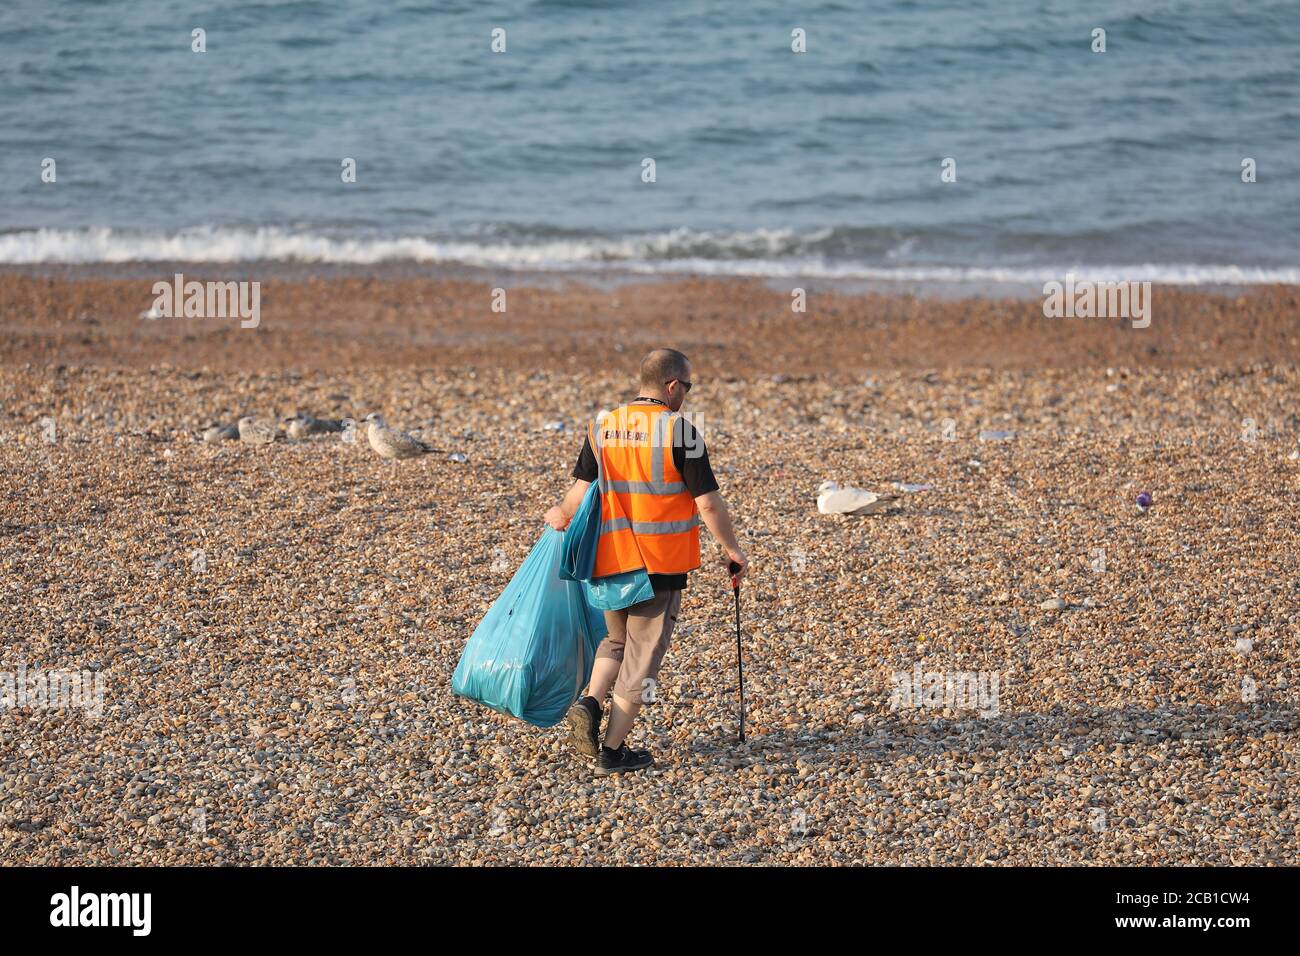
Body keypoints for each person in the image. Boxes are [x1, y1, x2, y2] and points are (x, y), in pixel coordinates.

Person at [544, 347, 748, 775]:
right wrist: (732, 550)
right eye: (687, 388)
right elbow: (708, 505)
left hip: (608, 556)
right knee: (642, 659)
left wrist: (559, 516)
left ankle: (591, 701)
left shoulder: (604, 426)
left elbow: (579, 492)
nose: (687, 396)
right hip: (659, 564)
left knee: (615, 640)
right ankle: (613, 752)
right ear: (672, 386)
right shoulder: (681, 431)